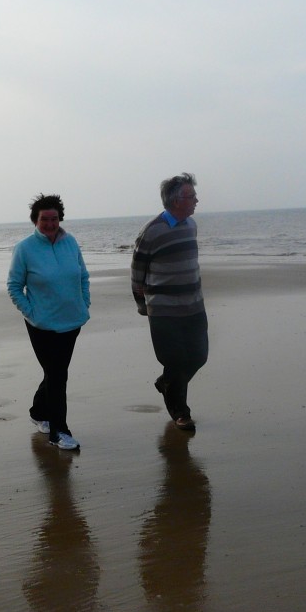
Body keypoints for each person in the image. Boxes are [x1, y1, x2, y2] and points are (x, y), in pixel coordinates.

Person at [7, 194, 90, 450]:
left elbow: (83, 276)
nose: (50, 223)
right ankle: (59, 432)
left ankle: (38, 411)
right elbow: (13, 286)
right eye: (44, 219)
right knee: (57, 376)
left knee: (55, 372)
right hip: (42, 326)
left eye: (54, 218)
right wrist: (32, 313)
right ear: (36, 220)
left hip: (72, 321)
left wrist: (84, 302)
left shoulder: (71, 242)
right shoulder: (25, 249)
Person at [130, 172, 208, 430]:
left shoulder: (191, 226)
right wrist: (143, 305)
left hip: (194, 305)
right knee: (174, 360)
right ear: (176, 201)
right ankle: (180, 413)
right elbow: (137, 271)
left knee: (198, 356)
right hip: (164, 310)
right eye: (191, 196)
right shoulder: (151, 231)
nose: (196, 200)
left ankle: (166, 383)